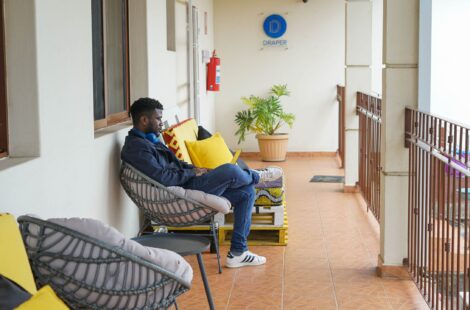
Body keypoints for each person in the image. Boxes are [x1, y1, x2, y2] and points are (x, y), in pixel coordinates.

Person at [121, 97, 282, 268]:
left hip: (188, 182)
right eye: (158, 118)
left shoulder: (150, 141)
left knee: (247, 191)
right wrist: (191, 173)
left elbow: (176, 165)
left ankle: (238, 252)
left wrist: (195, 169)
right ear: (144, 120)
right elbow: (162, 177)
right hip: (178, 193)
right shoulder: (137, 148)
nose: (161, 123)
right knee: (230, 170)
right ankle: (257, 176)